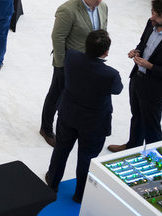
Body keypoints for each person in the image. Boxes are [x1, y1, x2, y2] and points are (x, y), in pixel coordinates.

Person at [45, 30, 123, 203]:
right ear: (106, 52)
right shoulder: (110, 74)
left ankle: (52, 183)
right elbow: (117, 90)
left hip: (69, 115)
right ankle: (81, 194)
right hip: (94, 124)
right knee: (87, 158)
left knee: (61, 150)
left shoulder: (71, 56)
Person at [108, 0, 162, 152]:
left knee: (151, 125)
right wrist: (137, 51)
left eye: (158, 15)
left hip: (155, 90)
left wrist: (151, 66)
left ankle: (155, 157)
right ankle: (133, 146)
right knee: (137, 116)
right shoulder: (151, 23)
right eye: (152, 13)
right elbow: (143, 43)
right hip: (137, 79)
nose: (153, 17)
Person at [39, 0, 108, 147]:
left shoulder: (103, 7)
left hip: (91, 62)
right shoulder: (68, 10)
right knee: (57, 94)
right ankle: (46, 128)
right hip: (69, 63)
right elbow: (58, 37)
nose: (99, 1)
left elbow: (102, 30)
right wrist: (61, 64)